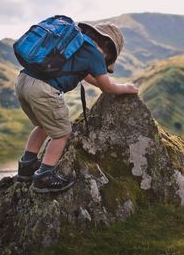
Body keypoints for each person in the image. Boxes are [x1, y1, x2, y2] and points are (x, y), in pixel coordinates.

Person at [15, 19, 138, 194]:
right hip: (43, 90)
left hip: (23, 81)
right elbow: (107, 87)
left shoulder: (77, 43)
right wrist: (126, 87)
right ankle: (44, 177)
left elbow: (89, 77)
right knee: (62, 134)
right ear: (109, 51)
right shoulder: (95, 54)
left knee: (42, 125)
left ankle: (26, 167)